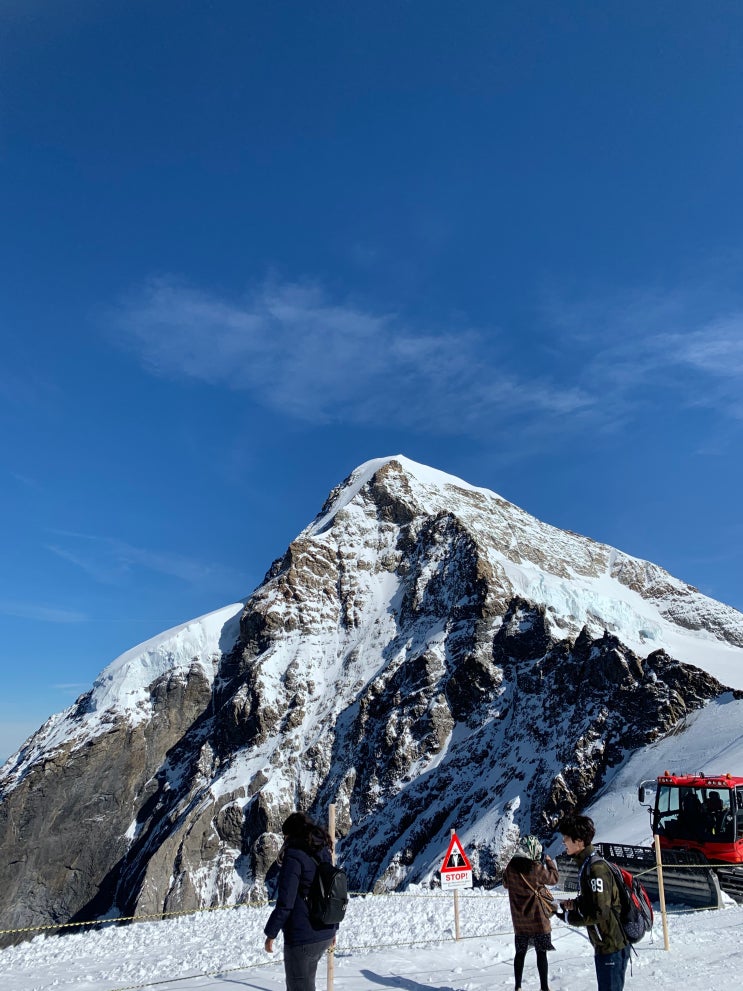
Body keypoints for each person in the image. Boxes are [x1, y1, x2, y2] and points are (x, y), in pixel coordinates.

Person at [264, 812, 338, 991]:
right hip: (325, 932)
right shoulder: (324, 850)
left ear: (290, 834)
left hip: (302, 937)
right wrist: (334, 928)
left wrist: (270, 934)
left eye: (285, 836)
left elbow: (286, 902)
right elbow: (331, 892)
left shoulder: (294, 856)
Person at [558, 814, 630, 991]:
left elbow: (600, 912)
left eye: (566, 838)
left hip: (611, 945)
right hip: (605, 945)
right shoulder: (588, 865)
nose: (563, 843)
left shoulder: (596, 869)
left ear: (579, 841)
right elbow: (595, 901)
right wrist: (575, 904)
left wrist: (570, 919)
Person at [502, 834, 559, 991]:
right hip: (538, 920)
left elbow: (506, 884)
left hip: (520, 922)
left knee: (520, 954)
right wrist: (549, 862)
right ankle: (544, 987)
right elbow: (554, 879)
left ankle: (518, 986)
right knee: (541, 954)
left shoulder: (510, 868)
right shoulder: (535, 868)